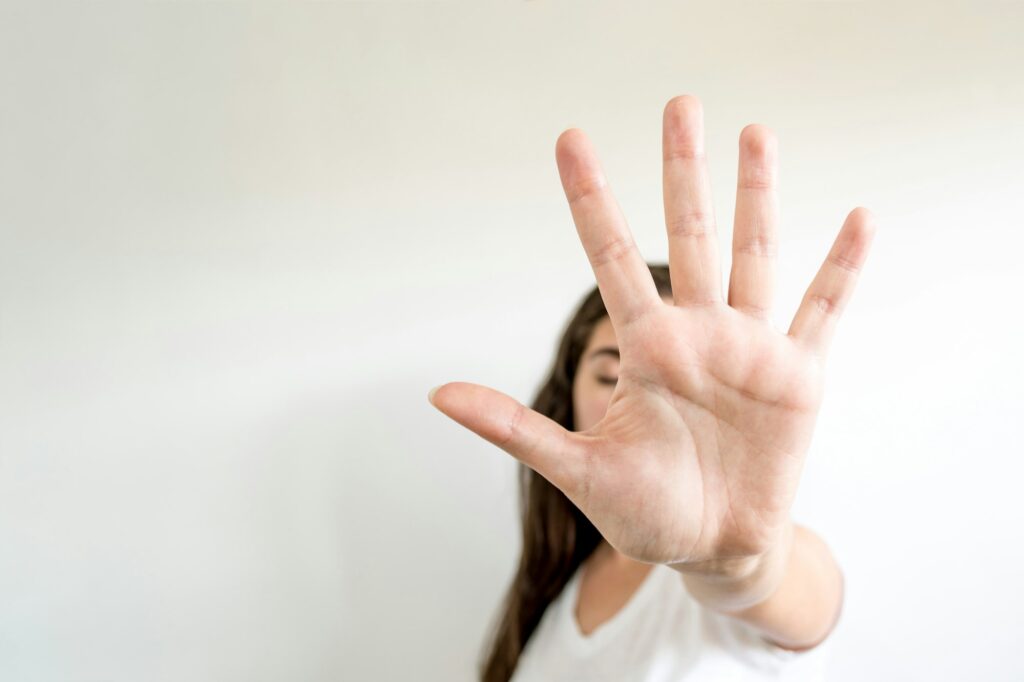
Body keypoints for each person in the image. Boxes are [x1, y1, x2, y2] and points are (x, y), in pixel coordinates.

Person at [427, 95, 875, 681]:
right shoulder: (557, 597)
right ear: (566, 398)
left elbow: (794, 595)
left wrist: (735, 565)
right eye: (610, 374)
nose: (635, 405)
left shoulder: (719, 586)